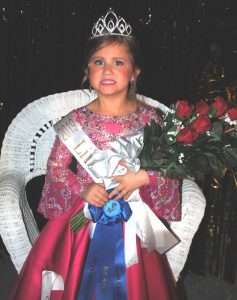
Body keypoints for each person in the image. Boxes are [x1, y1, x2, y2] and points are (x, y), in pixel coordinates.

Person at [10, 8, 181, 300]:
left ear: (135, 72)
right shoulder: (75, 120)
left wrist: (143, 177)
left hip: (134, 217)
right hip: (82, 217)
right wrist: (83, 187)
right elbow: (56, 167)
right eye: (98, 62)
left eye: (118, 62)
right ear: (87, 72)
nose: (108, 70)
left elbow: (172, 167)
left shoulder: (152, 120)